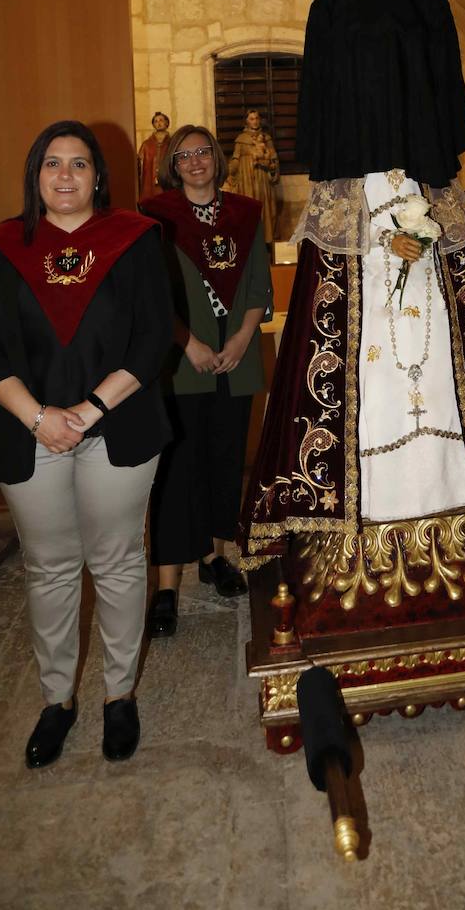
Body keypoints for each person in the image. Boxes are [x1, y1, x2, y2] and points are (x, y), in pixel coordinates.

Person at [242, 0, 465, 580]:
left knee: (448, 370)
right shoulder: (387, 6)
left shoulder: (362, 6)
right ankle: (352, 528)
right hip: (366, 226)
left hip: (422, 227)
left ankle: (460, 512)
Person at [0, 120, 173, 768]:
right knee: (49, 568)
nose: (64, 175)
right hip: (31, 434)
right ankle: (57, 700)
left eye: (78, 164)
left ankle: (119, 696)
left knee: (116, 562)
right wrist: (39, 418)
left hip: (115, 427)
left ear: (97, 177)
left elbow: (151, 338)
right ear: (35, 176)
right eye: (51, 164)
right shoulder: (4, 249)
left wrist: (87, 409)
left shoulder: (134, 242)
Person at [141, 124, 272, 636]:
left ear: (217, 159)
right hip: (183, 357)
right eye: (183, 155)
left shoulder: (245, 212)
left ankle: (216, 558)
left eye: (202, 153)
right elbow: (152, 292)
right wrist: (186, 342)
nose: (194, 161)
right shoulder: (156, 215)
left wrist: (242, 338)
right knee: (177, 469)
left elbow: (258, 278)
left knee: (224, 458)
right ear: (172, 165)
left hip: (235, 354)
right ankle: (167, 586)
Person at [227, 109, 280, 245]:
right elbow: (235, 158)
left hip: (262, 179)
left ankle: (266, 240)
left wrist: (272, 167)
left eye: (256, 118)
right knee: (249, 208)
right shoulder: (241, 139)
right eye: (251, 118)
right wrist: (231, 171)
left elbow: (273, 159)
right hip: (246, 180)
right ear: (246, 120)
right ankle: (250, 241)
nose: (255, 121)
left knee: (265, 208)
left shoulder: (266, 139)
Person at [137, 110, 171, 202]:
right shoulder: (146, 145)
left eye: (161, 120)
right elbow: (138, 165)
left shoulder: (172, 143)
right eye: (156, 121)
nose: (158, 123)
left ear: (166, 123)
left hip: (167, 185)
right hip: (150, 186)